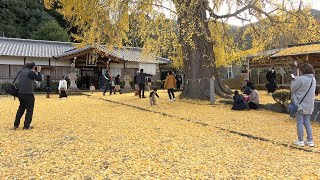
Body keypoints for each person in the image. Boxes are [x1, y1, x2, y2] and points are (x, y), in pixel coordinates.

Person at [291, 63, 316, 147]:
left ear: (303, 70)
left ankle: (300, 140)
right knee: (307, 122)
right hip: (309, 104)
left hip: (299, 104)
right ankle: (310, 141)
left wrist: (293, 80)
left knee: (300, 122)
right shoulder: (313, 79)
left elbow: (293, 89)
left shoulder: (300, 79)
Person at [13, 62, 42, 130]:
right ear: (33, 67)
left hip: (20, 93)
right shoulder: (30, 72)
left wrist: (34, 71)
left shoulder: (21, 71)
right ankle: (26, 126)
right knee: (29, 110)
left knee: (21, 109)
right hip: (28, 94)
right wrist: (38, 71)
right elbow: (39, 79)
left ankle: (16, 125)